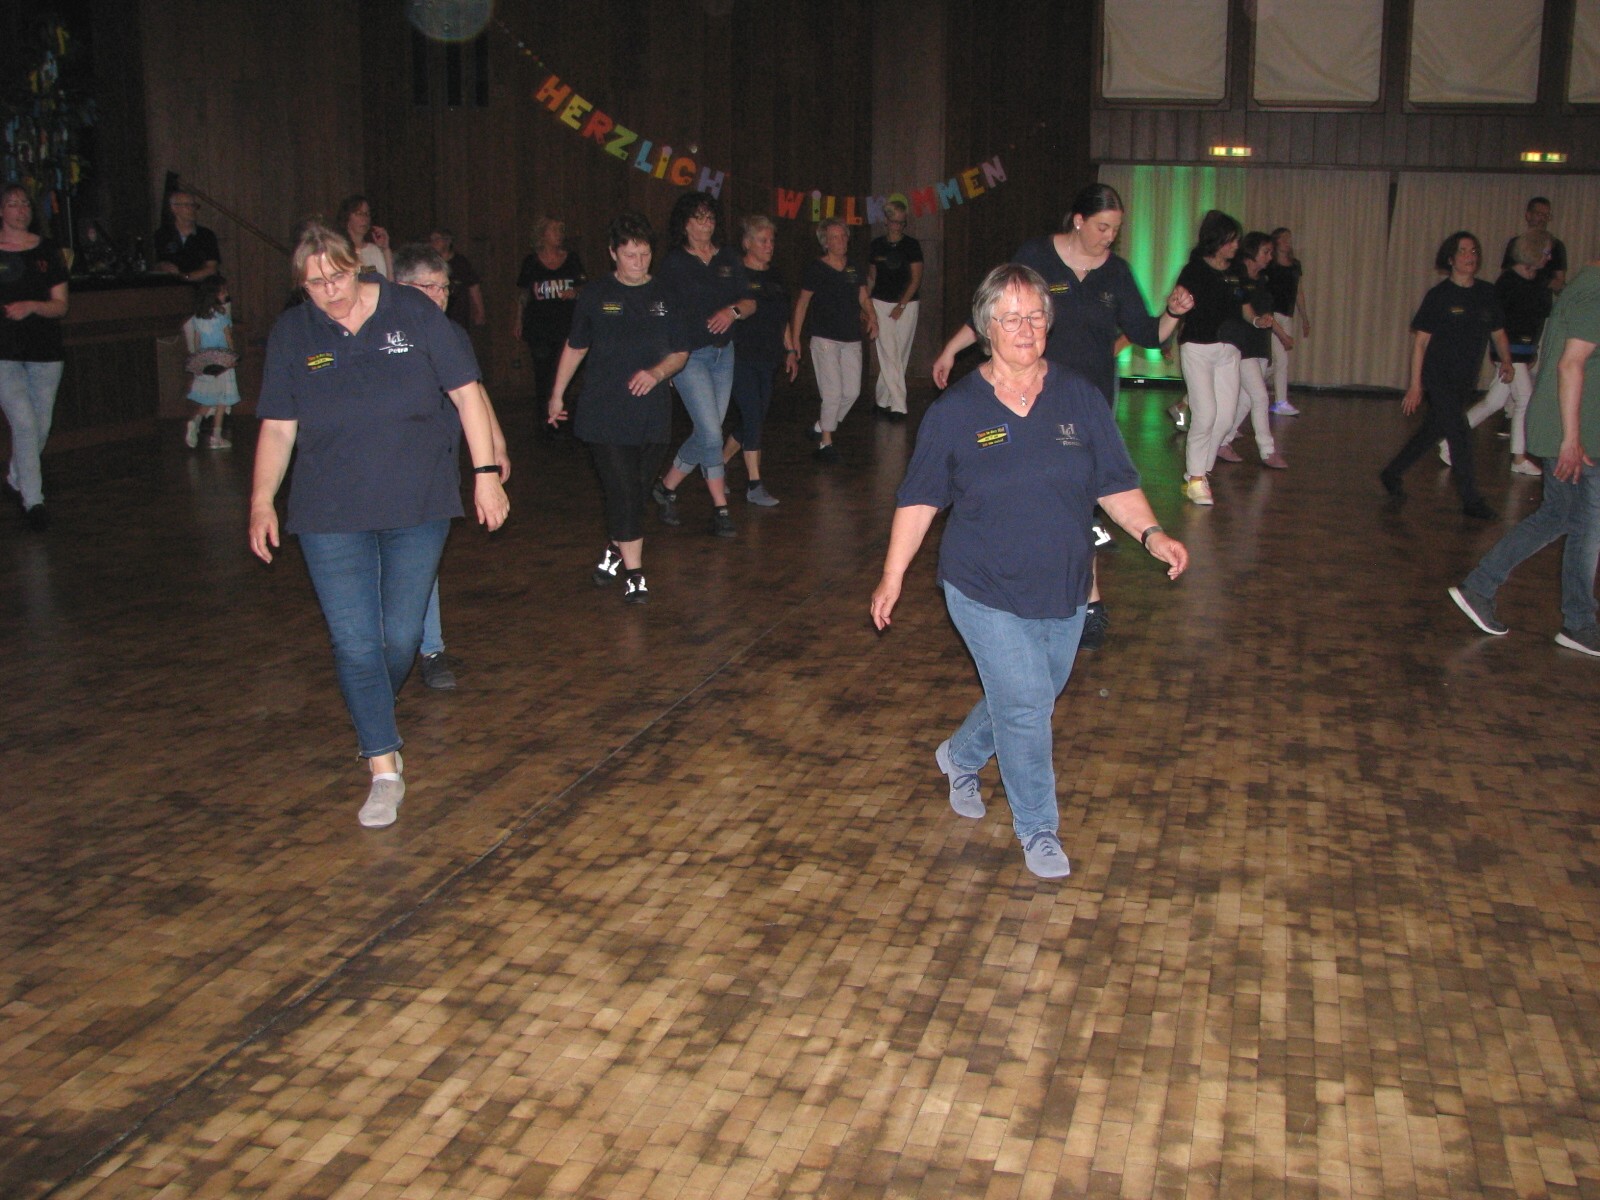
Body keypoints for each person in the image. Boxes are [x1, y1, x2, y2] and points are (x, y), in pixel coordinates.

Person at [871, 263, 1187, 878]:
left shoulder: (1078, 396)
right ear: (986, 327)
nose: (1025, 328)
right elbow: (920, 500)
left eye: (1036, 315)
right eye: (1011, 317)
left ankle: (960, 756)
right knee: (1025, 708)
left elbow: (1115, 482)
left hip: (1065, 585)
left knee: (1031, 693)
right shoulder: (957, 410)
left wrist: (1152, 533)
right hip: (982, 585)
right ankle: (1038, 828)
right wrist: (893, 575)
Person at [248, 222, 509, 828]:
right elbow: (279, 427)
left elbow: (467, 394)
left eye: (337, 277)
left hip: (418, 503)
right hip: (328, 513)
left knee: (399, 638)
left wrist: (486, 473)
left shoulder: (412, 312)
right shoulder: (293, 333)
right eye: (314, 284)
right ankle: (383, 767)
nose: (330, 291)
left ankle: (370, 706)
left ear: (358, 265)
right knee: (355, 642)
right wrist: (261, 500)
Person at [929, 183, 1193, 647]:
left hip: (1086, 402)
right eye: (1102, 227)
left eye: (1116, 229)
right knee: (1033, 495)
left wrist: (1172, 312)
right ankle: (1020, 593)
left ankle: (1087, 598)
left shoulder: (1116, 273)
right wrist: (952, 348)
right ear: (1078, 220)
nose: (1109, 237)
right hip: (1029, 395)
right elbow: (995, 309)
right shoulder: (1037, 256)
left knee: (1082, 497)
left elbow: (1148, 333)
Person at [1448, 252, 1600, 656]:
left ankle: (1480, 586)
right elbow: (1570, 366)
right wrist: (1571, 438)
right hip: (1578, 434)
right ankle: (1580, 623)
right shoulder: (1596, 293)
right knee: (1589, 526)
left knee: (1560, 515)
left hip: (1569, 426)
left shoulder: (1582, 285)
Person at [548, 212, 688, 604]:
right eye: (630, 255)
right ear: (613, 253)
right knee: (623, 491)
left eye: (645, 254)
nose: (639, 262)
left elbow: (681, 352)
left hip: (652, 411)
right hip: (604, 410)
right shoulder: (595, 294)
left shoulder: (666, 295)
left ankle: (614, 549)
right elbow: (576, 346)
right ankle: (635, 574)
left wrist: (656, 373)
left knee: (636, 493)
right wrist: (557, 394)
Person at [392, 242, 512, 691]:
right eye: (430, 288)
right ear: (401, 287)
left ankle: (431, 648)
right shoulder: (384, 336)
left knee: (424, 558)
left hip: (440, 462)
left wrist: (496, 445)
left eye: (445, 288)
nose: (440, 297)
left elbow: (473, 392)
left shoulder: (451, 334)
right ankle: (392, 650)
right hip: (393, 464)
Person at [1379, 232, 1513, 519]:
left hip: (1465, 379)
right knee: (1460, 434)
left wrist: (1507, 361)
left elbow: (1498, 332)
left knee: (1432, 431)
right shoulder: (1438, 296)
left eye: (1473, 251)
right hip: (1438, 377)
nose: (1470, 256)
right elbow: (1420, 343)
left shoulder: (1487, 293)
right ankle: (1471, 500)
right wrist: (1415, 385)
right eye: (1463, 251)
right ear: (1450, 259)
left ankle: (1392, 472)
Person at [651, 191, 753, 537]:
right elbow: (660, 313)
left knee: (707, 430)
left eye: (709, 218)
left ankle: (666, 487)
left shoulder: (727, 258)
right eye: (697, 219)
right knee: (711, 433)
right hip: (688, 356)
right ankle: (720, 508)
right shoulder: (674, 264)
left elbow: (749, 302)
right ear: (684, 224)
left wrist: (732, 311)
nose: (705, 225)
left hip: (724, 354)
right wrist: (663, 361)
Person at [1437, 230, 1553, 477]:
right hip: (1508, 351)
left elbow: (1539, 317)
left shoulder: (1540, 282)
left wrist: (1532, 350)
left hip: (1524, 351)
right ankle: (1518, 457)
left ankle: (1449, 441)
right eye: (1545, 252)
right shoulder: (1507, 282)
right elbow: (1496, 323)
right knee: (1525, 399)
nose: (1548, 257)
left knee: (1494, 402)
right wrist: (1502, 353)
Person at [0, 184, 69, 531]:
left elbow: (61, 305)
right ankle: (34, 501)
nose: (21, 209)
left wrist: (32, 306)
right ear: (1, 211)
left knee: (40, 427)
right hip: (4, 352)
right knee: (25, 425)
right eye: (13, 204)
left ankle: (16, 477)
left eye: (25, 203)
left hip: (44, 351)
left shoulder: (47, 250)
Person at [722, 215, 798, 506]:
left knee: (753, 419)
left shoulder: (776, 277)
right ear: (747, 243)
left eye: (771, 240)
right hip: (740, 356)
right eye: (763, 240)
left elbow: (782, 318)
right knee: (753, 415)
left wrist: (790, 350)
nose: (769, 245)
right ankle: (754, 484)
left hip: (769, 359)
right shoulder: (735, 274)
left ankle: (717, 464)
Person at [1175, 209, 1246, 506]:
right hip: (1198, 347)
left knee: (1226, 417)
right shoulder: (1193, 271)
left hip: (1228, 349)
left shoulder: (1236, 270)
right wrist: (1167, 337)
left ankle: (1200, 471)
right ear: (1216, 240)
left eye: (1237, 240)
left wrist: (1257, 322)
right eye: (1231, 240)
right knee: (1205, 414)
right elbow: (1177, 307)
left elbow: (1244, 306)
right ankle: (1195, 478)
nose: (1235, 246)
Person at [791, 217, 876, 463]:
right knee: (832, 393)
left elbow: (863, 297)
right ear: (825, 242)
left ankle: (821, 425)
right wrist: (795, 339)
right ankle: (825, 443)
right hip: (824, 338)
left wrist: (872, 316)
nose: (841, 241)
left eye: (844, 236)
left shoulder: (854, 267)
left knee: (852, 391)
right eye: (835, 237)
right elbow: (802, 303)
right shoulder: (816, 268)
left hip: (851, 338)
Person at [1216, 232, 1290, 470]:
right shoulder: (1235, 280)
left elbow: (1266, 315)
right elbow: (1242, 314)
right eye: (1266, 252)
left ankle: (1222, 442)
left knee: (1246, 401)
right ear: (1251, 252)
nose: (1270, 256)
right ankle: (1267, 451)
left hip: (1259, 345)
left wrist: (1281, 334)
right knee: (1260, 397)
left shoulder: (1262, 281)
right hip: (1242, 346)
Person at [513, 216, 586, 436]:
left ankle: (563, 417)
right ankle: (545, 420)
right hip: (540, 327)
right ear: (542, 234)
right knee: (543, 374)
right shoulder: (531, 262)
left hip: (566, 325)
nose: (559, 235)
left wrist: (575, 292)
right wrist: (518, 320)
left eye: (561, 230)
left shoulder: (571, 259)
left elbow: (585, 287)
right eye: (554, 230)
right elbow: (524, 294)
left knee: (564, 372)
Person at [867, 199, 923, 420]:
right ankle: (899, 406)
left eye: (902, 222)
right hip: (880, 303)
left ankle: (882, 399)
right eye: (894, 221)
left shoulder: (912, 245)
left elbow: (916, 279)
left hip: (907, 304)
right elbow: (872, 277)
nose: (898, 226)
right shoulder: (877, 245)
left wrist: (901, 305)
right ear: (886, 221)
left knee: (899, 355)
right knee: (889, 353)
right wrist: (866, 305)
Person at [182, 274, 241, 451]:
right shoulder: (221, 315)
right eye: (223, 292)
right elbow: (228, 337)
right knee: (222, 400)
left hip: (206, 362)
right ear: (215, 294)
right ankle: (216, 436)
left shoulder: (198, 317)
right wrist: (232, 356)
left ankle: (195, 421)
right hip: (222, 361)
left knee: (209, 398)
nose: (226, 294)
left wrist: (199, 359)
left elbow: (197, 340)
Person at [1262, 227, 1311, 416]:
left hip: (1287, 315)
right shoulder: (1270, 265)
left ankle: (1248, 382)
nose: (1287, 242)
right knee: (1281, 359)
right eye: (1283, 238)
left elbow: (1299, 292)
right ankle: (1280, 402)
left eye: (1289, 238)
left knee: (1278, 363)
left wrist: (1305, 318)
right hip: (1271, 314)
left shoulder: (1295, 265)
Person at [152, 190, 221, 282]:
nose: (192, 209)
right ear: (174, 208)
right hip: (170, 285)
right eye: (187, 205)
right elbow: (155, 263)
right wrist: (163, 266)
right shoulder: (162, 235)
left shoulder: (206, 235)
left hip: (200, 285)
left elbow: (211, 268)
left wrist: (186, 277)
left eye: (193, 205)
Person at [1502, 196, 1566, 293]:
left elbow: (1560, 282)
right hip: (1516, 295)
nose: (1543, 219)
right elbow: (1506, 274)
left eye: (1546, 215)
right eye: (1539, 214)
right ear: (1528, 215)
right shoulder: (1515, 243)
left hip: (1541, 297)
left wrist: (1542, 281)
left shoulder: (1556, 245)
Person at [428, 227, 485, 329]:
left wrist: (480, 310)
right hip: (437, 314)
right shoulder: (430, 264)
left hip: (458, 314)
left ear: (447, 241)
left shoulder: (461, 263)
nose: (433, 243)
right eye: (432, 240)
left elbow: (474, 287)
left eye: (437, 239)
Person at [337, 194, 391, 278]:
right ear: (347, 217)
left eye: (367, 214)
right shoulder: (339, 251)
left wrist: (386, 250)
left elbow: (387, 282)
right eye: (359, 214)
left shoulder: (373, 250)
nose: (364, 218)